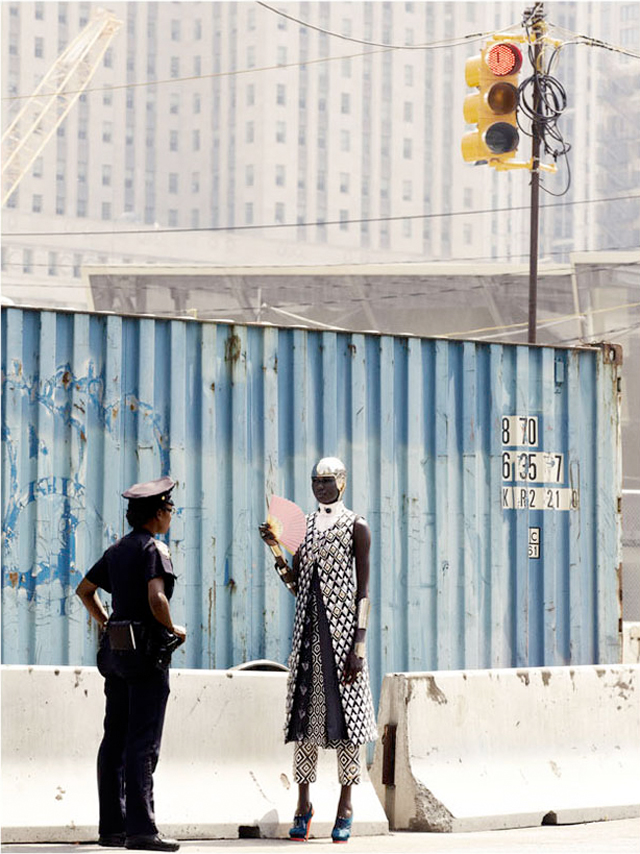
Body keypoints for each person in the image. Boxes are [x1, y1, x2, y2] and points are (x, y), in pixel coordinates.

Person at [259, 457, 378, 844]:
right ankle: (304, 803)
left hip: (343, 638)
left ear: (342, 482)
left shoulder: (356, 526)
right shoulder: (305, 527)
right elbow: (296, 585)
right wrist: (277, 549)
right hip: (308, 636)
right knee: (305, 720)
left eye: (327, 481)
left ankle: (345, 804)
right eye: (315, 481)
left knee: (349, 723)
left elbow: (364, 591)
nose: (320, 488)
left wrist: (358, 646)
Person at [76, 476, 186, 852]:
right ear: (158, 513)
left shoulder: (117, 550)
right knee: (143, 742)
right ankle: (142, 830)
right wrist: (174, 627)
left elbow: (84, 590)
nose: (170, 515)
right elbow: (157, 599)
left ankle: (112, 828)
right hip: (148, 656)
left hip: (118, 653)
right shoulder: (155, 549)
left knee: (115, 739)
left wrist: (106, 622)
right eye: (169, 510)